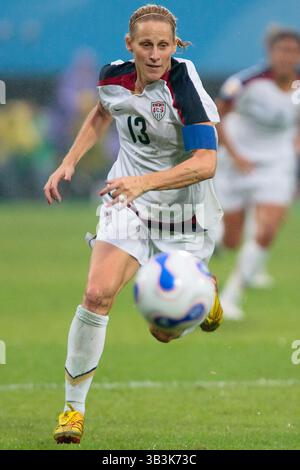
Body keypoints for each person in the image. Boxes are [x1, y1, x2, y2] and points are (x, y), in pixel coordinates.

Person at [44, 4, 223, 444]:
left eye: (164, 45)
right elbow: (104, 112)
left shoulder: (185, 85)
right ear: (131, 46)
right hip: (128, 201)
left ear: (174, 46)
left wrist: (145, 182)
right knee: (96, 293)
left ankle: (205, 292)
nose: (156, 54)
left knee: (163, 331)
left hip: (183, 212)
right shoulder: (112, 77)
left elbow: (206, 163)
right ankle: (73, 410)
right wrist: (69, 161)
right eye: (147, 44)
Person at [214, 26, 300, 320]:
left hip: (277, 164)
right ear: (271, 53)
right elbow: (217, 116)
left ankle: (231, 296)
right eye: (282, 50)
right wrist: (235, 156)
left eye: (293, 51)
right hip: (239, 162)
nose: (287, 57)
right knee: (231, 239)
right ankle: (214, 246)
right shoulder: (245, 83)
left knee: (266, 231)